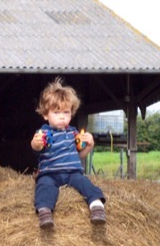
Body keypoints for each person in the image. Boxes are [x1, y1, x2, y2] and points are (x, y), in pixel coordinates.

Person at [30, 77, 106, 228]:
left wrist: (89, 145)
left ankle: (96, 206)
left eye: (66, 112)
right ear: (46, 114)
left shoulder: (73, 133)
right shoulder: (44, 132)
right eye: (56, 112)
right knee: (44, 187)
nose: (62, 116)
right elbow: (35, 149)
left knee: (86, 184)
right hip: (50, 173)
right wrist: (36, 143)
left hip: (73, 173)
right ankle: (45, 212)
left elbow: (78, 156)